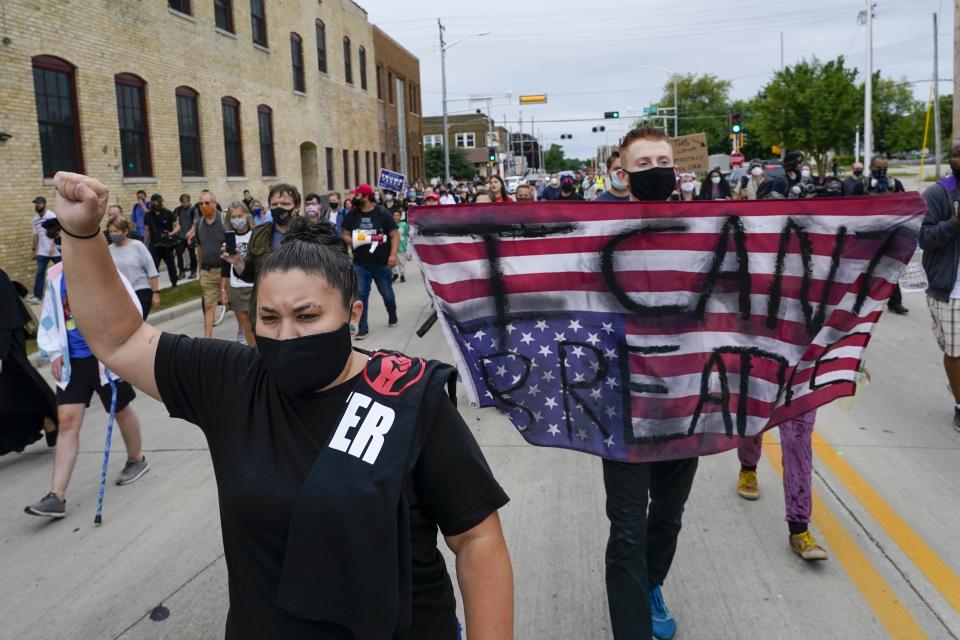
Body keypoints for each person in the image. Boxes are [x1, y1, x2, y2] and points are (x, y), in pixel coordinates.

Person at [47, 171, 515, 638]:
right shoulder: (230, 381)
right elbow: (120, 337)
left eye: (307, 316)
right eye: (270, 317)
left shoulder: (411, 397)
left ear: (352, 313)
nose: (285, 335)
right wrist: (81, 233)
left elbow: (476, 538)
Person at [607, 126, 699, 640]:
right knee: (625, 530)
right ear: (623, 174)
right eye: (644, 163)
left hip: (687, 398)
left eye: (663, 160)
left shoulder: (701, 227)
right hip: (620, 403)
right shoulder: (596, 229)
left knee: (668, 515)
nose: (656, 169)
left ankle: (651, 583)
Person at [26, 219, 148, 519]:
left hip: (103, 356)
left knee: (120, 409)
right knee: (67, 420)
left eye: (62, 239)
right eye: (54, 241)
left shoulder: (101, 269)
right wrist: (53, 351)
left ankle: (137, 458)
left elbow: (129, 307)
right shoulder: (55, 275)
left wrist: (115, 344)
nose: (58, 245)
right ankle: (57, 495)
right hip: (73, 360)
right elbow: (52, 316)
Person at [919, 138, 960, 431]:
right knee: (956, 352)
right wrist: (955, 223)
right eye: (959, 153)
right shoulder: (937, 193)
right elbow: (924, 238)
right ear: (950, 159)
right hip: (951, 288)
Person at [0, 266, 58, 455]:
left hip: (8, 342)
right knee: (13, 393)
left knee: (24, 385)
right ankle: (45, 420)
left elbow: (6, 317)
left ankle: (52, 417)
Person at [226, 183, 302, 325]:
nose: (279, 208)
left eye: (285, 204)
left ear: (296, 208)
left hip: (301, 310)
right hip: (268, 311)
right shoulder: (259, 233)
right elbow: (250, 275)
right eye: (274, 204)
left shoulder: (311, 234)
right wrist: (237, 262)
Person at [341, 184, 399, 340]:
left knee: (387, 294)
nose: (354, 198)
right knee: (360, 296)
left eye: (357, 195)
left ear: (365, 197)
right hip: (360, 263)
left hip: (381, 263)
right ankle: (362, 328)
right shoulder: (352, 215)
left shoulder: (382, 214)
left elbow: (394, 234)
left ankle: (392, 314)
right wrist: (353, 241)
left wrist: (393, 255)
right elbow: (345, 234)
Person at [864, 155, 909, 314]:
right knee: (865, 269)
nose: (882, 171)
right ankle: (861, 301)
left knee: (892, 268)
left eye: (885, 168)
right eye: (878, 168)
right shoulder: (862, 185)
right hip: (868, 234)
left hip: (891, 233)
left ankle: (895, 302)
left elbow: (905, 204)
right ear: (870, 168)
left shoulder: (894, 184)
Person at [108, 216, 159, 319]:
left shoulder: (138, 246)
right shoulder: (109, 250)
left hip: (141, 291)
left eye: (116, 231)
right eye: (111, 231)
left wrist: (156, 293)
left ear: (125, 231)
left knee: (137, 324)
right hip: (122, 295)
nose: (113, 234)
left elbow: (152, 271)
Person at [194, 190, 230, 338]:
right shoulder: (198, 224)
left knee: (236, 305)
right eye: (201, 203)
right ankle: (207, 340)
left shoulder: (224, 220)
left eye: (207, 202)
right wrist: (200, 269)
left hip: (225, 270)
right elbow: (199, 247)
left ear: (214, 204)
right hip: (207, 271)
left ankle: (244, 332)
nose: (204, 206)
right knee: (209, 306)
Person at [223, 203, 256, 347]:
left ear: (247, 215)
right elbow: (225, 266)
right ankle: (254, 356)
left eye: (240, 216)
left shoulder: (256, 234)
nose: (237, 220)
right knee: (246, 327)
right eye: (233, 217)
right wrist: (224, 290)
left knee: (260, 324)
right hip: (237, 287)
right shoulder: (228, 238)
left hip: (256, 286)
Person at [145, 194, 179, 289]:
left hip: (167, 245)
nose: (159, 203)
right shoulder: (148, 215)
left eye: (160, 201)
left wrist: (171, 233)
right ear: (152, 202)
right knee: (153, 267)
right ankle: (153, 288)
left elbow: (177, 226)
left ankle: (174, 284)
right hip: (154, 244)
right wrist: (144, 243)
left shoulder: (167, 213)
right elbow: (146, 230)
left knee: (171, 265)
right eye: (157, 201)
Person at [31, 195, 61, 302]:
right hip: (42, 251)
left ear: (44, 204)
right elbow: (36, 235)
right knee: (40, 273)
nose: (37, 205)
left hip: (55, 251)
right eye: (36, 203)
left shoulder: (51, 216)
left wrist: (53, 246)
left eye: (39, 203)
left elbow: (57, 232)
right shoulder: (35, 219)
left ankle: (61, 295)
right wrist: (34, 250)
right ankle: (37, 296)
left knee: (61, 272)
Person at [174, 193, 198, 279]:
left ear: (189, 201)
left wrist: (190, 233)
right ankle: (181, 272)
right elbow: (175, 221)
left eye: (186, 202)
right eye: (182, 202)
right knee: (179, 254)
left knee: (192, 255)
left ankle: (193, 271)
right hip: (181, 236)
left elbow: (195, 223)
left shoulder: (193, 209)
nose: (184, 204)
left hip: (190, 236)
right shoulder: (178, 210)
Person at [392, 208, 410, 284]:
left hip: (401, 246)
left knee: (401, 262)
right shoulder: (390, 224)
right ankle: (395, 274)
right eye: (394, 215)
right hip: (392, 246)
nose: (396, 217)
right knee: (392, 262)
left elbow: (407, 234)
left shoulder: (404, 225)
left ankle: (402, 275)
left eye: (397, 215)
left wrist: (408, 250)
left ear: (400, 216)